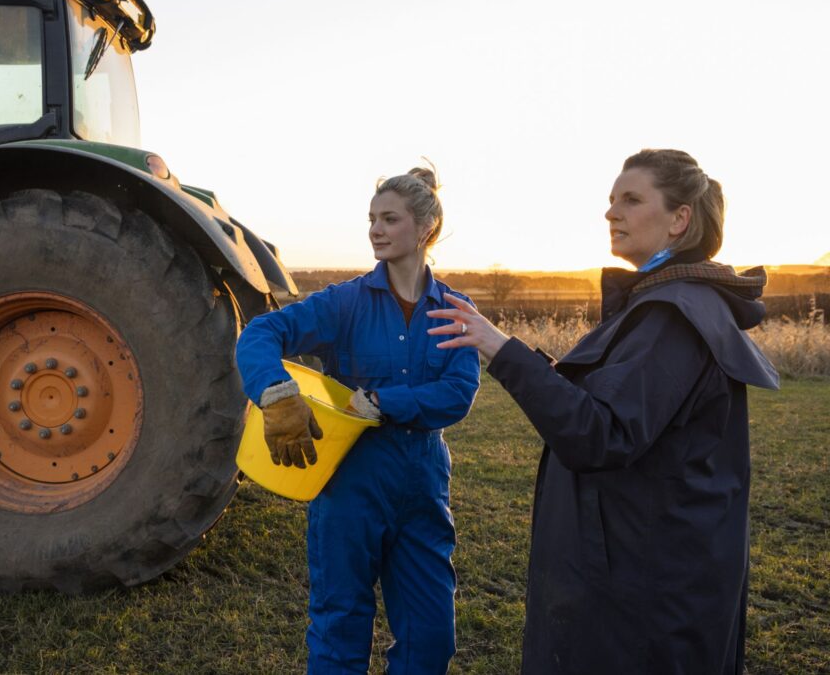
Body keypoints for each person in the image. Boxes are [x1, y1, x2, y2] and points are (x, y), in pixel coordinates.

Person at [428, 149, 779, 674]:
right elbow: (609, 404)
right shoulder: (667, 304)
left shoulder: (673, 316)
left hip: (643, 597)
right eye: (612, 200)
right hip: (646, 572)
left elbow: (599, 433)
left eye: (631, 200)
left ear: (680, 219)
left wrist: (502, 351)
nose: (611, 213)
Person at [236, 166, 481, 674]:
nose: (376, 229)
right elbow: (261, 334)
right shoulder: (344, 304)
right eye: (372, 218)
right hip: (351, 482)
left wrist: (384, 402)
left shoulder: (455, 309)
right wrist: (275, 392)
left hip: (423, 482)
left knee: (430, 635)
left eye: (390, 219)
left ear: (425, 227)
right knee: (340, 624)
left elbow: (458, 393)